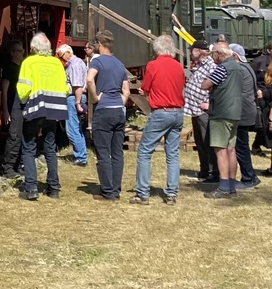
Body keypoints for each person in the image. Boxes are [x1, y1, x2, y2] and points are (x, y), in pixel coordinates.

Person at [132, 35, 186, 205]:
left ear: (157, 49)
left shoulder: (153, 65)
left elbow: (146, 87)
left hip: (161, 111)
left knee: (145, 151)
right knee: (173, 154)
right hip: (177, 111)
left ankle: (142, 193)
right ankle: (171, 193)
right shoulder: (178, 66)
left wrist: (145, 91)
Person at [17, 32, 70, 200]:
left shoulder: (29, 62)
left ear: (33, 48)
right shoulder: (56, 63)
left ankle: (31, 188)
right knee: (50, 146)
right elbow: (65, 88)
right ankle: (53, 187)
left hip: (36, 108)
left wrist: (23, 102)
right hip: (54, 110)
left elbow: (23, 89)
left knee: (29, 147)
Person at [87, 31, 130, 201]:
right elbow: (126, 90)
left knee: (103, 152)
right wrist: (122, 100)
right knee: (117, 152)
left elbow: (90, 80)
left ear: (98, 43)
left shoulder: (96, 61)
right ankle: (116, 189)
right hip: (118, 110)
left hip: (103, 110)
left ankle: (108, 191)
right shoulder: (119, 64)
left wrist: (94, 97)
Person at [203, 41, 246, 199]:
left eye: (213, 53)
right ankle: (231, 186)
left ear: (220, 54)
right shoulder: (238, 67)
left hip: (221, 112)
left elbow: (205, 84)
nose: (212, 56)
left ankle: (223, 187)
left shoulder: (223, 68)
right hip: (235, 112)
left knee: (220, 151)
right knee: (231, 150)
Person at [183, 40, 218, 183]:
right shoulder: (201, 66)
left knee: (207, 141)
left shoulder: (211, 66)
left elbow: (217, 85)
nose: (190, 53)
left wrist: (209, 102)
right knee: (200, 141)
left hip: (203, 111)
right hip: (194, 109)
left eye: (192, 50)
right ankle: (204, 170)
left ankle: (213, 172)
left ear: (198, 51)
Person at [232, 43, 262, 190]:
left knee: (241, 146)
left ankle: (248, 178)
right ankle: (250, 176)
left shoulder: (240, 70)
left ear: (235, 56)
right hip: (247, 110)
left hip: (242, 112)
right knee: (242, 145)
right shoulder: (247, 67)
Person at [56, 44, 90, 166]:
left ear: (67, 53)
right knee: (76, 128)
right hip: (77, 97)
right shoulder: (79, 63)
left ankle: (81, 158)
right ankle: (81, 155)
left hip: (74, 98)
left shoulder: (74, 65)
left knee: (72, 129)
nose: (62, 60)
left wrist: (77, 102)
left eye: (61, 56)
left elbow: (77, 86)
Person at [0, 39, 27, 179]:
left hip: (22, 105)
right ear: (12, 53)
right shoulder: (10, 68)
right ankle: (8, 168)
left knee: (22, 136)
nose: (23, 53)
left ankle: (19, 165)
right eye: (20, 51)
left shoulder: (22, 68)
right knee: (14, 136)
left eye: (22, 50)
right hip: (13, 106)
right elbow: (4, 89)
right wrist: (5, 110)